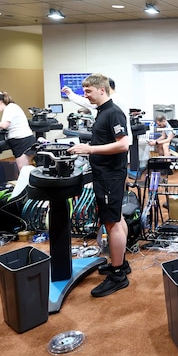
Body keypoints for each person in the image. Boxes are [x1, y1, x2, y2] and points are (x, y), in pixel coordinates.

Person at [68, 74, 132, 297]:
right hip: (106, 173)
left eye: (88, 92)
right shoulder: (102, 112)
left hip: (110, 175)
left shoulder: (113, 113)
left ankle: (117, 275)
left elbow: (123, 145)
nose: (85, 96)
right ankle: (121, 264)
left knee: (111, 222)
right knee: (117, 218)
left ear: (102, 90)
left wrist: (90, 149)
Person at [0, 91, 36, 171]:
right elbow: (7, 126)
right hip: (19, 141)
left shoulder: (10, 108)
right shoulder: (10, 108)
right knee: (23, 168)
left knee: (23, 168)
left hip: (23, 140)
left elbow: (4, 125)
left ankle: (29, 183)